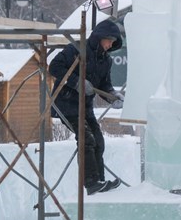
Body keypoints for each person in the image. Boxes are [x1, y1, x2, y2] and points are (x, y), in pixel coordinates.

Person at [50, 19, 125, 195]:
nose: (110, 45)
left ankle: (99, 181)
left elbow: (105, 85)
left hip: (85, 107)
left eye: (113, 43)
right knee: (87, 139)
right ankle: (90, 183)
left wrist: (112, 96)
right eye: (109, 41)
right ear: (100, 37)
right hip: (66, 104)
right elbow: (54, 67)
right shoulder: (76, 49)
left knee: (98, 140)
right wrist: (77, 82)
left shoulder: (106, 61)